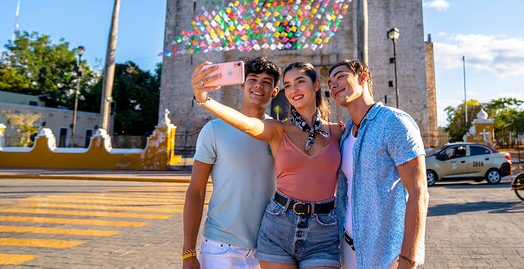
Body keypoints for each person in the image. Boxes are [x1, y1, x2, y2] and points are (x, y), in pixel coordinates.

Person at [192, 61, 343, 269]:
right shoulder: (277, 130)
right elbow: (247, 124)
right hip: (274, 227)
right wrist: (204, 100)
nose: (294, 89)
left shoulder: (338, 132)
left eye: (300, 81)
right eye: (288, 85)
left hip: (322, 229)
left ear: (316, 84)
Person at [327, 59, 428, 269]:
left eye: (340, 77)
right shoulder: (346, 133)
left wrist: (408, 260)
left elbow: (419, 192)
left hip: (386, 254)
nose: (334, 84)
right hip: (349, 249)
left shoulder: (394, 122)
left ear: (363, 78)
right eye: (330, 82)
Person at [182, 57, 281, 269]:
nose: (258, 86)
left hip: (269, 250)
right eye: (252, 79)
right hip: (221, 249)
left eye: (266, 82)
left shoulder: (280, 133)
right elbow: (196, 192)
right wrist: (188, 252)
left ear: (274, 92)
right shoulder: (214, 129)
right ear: (242, 84)